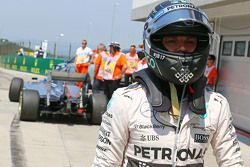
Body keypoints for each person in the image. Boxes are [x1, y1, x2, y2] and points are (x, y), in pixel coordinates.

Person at [92, 1, 243, 167]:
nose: (182, 48)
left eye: (190, 42)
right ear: (155, 43)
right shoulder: (126, 101)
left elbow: (233, 162)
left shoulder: (216, 104)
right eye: (172, 41)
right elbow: (105, 163)